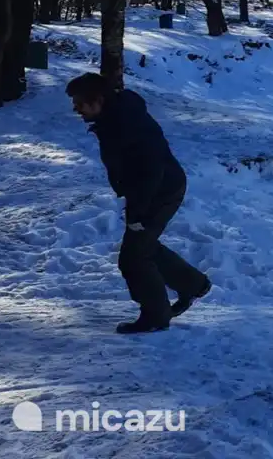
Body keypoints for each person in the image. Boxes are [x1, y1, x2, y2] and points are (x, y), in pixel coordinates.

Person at [67, 73, 211, 334]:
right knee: (142, 246)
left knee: (133, 258)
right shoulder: (114, 116)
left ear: (99, 99)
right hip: (156, 188)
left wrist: (138, 214)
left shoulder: (125, 123)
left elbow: (150, 171)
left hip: (161, 191)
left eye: (79, 103)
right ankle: (192, 284)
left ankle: (156, 316)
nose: (76, 109)